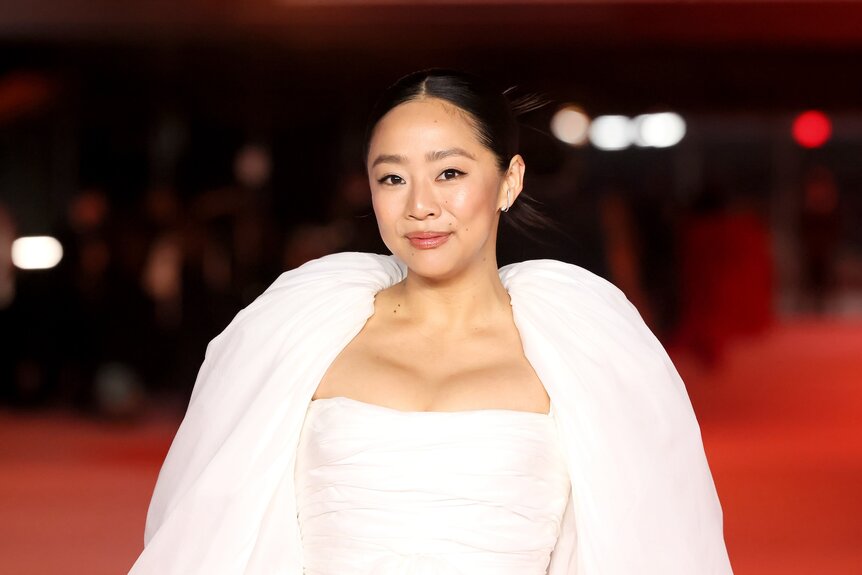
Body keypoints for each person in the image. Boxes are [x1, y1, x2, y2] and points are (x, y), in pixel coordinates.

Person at [130, 69, 733, 574]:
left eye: (449, 173)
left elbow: (648, 545)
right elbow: (215, 529)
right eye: (393, 178)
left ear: (510, 180)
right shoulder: (307, 329)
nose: (419, 205)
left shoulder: (580, 344)